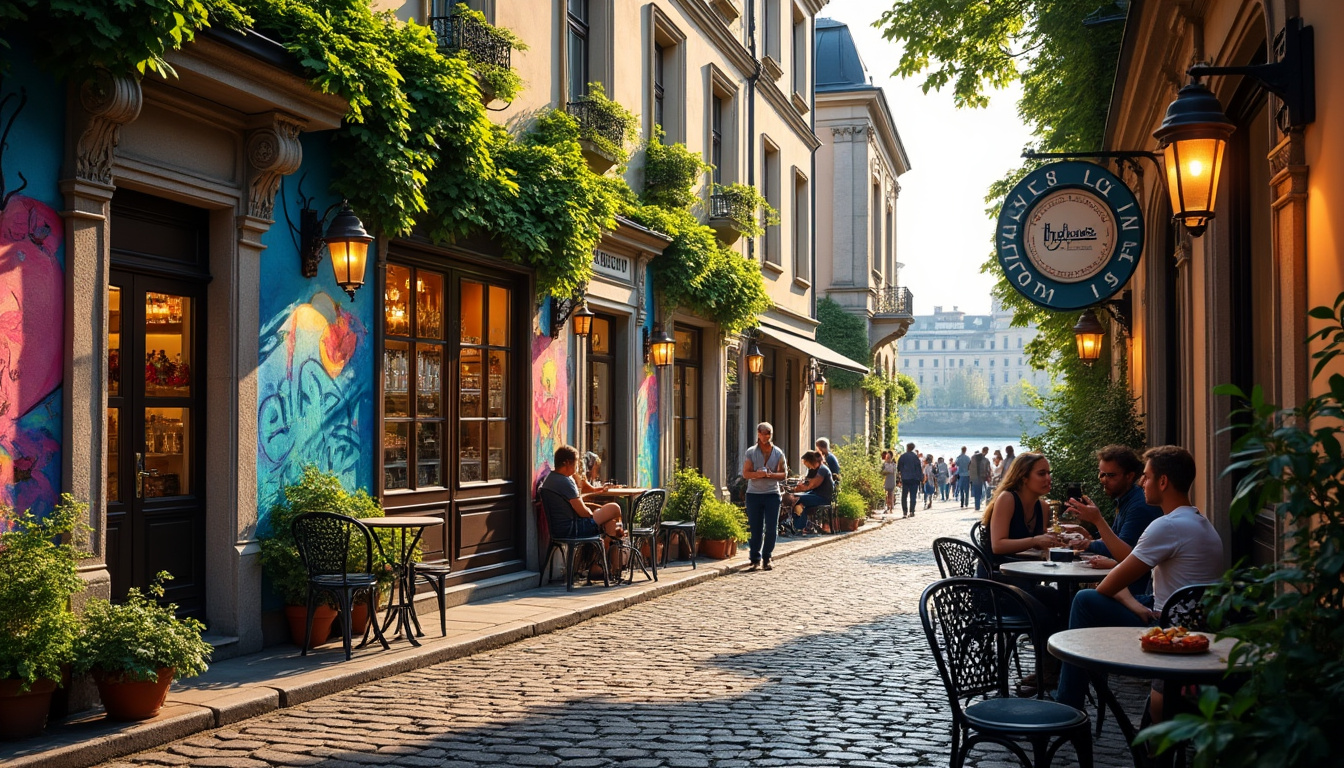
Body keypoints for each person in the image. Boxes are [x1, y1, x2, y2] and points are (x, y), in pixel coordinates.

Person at [1054, 445, 1225, 722]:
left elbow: (1107, 588)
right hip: (1197, 622)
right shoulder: (1200, 521)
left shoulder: (1166, 526)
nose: (1142, 483)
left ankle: (1068, 706)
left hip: (1171, 628)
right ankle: (1079, 693)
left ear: (1163, 481)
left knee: (1085, 601)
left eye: (1145, 476)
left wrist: (1130, 602)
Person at [1062, 444, 1164, 593]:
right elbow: (1115, 541)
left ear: (1129, 476)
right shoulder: (1125, 499)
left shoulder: (1139, 506)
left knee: (1082, 596)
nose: (1103, 480)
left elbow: (1124, 554)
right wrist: (1089, 539)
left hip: (1136, 591)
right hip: (1128, 586)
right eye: (1101, 474)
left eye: (1111, 475)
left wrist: (1096, 524)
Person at [540, 445, 624, 542]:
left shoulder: (551, 478)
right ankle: (605, 554)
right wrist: (594, 514)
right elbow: (583, 512)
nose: (577, 466)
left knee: (610, 524)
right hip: (573, 529)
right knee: (614, 508)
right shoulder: (565, 482)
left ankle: (600, 555)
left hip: (561, 530)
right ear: (567, 463)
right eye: (576, 462)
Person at [742, 422, 787, 572]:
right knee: (755, 528)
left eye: (768, 433)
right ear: (758, 434)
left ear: (771, 434)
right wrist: (758, 474)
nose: (765, 436)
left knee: (771, 528)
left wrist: (770, 475)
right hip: (754, 494)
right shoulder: (751, 452)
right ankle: (754, 559)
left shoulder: (778, 453)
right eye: (763, 433)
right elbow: (746, 473)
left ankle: (767, 557)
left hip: (772, 494)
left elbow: (784, 474)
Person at [784, 451, 834, 533]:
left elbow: (812, 485)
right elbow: (807, 482)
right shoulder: (814, 470)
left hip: (823, 497)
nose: (805, 465)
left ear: (811, 461)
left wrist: (795, 489)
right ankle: (801, 525)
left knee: (797, 499)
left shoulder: (822, 470)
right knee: (798, 500)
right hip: (816, 494)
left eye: (805, 462)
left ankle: (798, 526)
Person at [896, 442, 923, 518]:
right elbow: (919, 469)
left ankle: (905, 511)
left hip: (905, 478)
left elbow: (898, 468)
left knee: (904, 495)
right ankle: (912, 511)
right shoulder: (915, 457)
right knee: (913, 496)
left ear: (907, 447)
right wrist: (920, 478)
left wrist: (900, 476)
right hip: (914, 479)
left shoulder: (903, 456)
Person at [969, 446, 992, 512]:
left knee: (977, 492)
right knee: (984, 492)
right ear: (987, 451)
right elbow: (988, 469)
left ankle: (977, 506)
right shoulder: (986, 460)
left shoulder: (974, 457)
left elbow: (970, 467)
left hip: (975, 477)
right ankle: (982, 505)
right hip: (982, 477)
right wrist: (989, 476)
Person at [880, 450, 898, 515]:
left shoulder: (894, 465)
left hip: (892, 480)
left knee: (890, 494)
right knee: (886, 494)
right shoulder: (884, 464)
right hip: (886, 480)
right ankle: (887, 506)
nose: (888, 458)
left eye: (889, 457)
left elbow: (895, 472)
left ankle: (890, 507)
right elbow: (881, 472)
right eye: (887, 457)